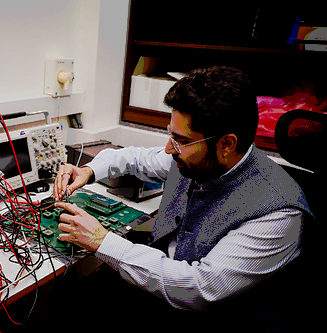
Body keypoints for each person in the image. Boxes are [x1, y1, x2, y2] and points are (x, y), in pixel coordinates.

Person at [51, 66, 315, 332]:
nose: (169, 148)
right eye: (170, 134)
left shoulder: (279, 213)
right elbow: (134, 158)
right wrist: (88, 170)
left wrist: (101, 241)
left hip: (222, 326)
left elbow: (199, 288)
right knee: (75, 301)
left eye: (180, 140)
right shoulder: (197, 157)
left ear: (227, 143)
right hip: (166, 294)